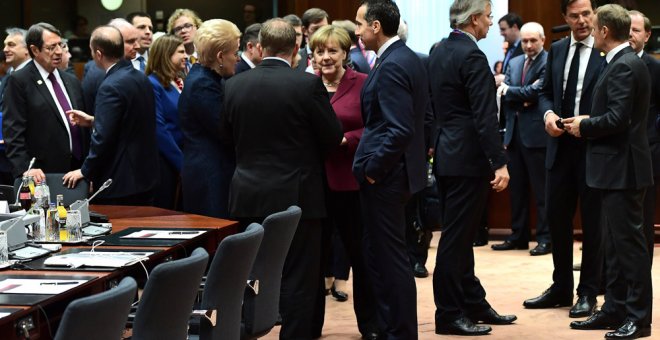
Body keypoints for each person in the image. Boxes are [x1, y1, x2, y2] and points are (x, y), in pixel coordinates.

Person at [221, 18, 342, 339]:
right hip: (298, 194)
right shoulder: (306, 85)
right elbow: (332, 136)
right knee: (299, 274)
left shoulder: (233, 85)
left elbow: (226, 137)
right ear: (296, 48)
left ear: (260, 47)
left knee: (250, 272)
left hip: (247, 193)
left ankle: (248, 330)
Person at [563, 5, 652, 339]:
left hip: (622, 168)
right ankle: (614, 309)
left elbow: (617, 120)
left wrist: (583, 126)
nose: (590, 28)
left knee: (630, 248)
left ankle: (638, 318)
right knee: (613, 248)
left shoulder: (624, 66)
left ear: (604, 31)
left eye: (595, 25)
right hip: (613, 168)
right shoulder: (620, 61)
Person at [429, 0, 516, 336]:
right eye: (490, 17)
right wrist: (499, 162)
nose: (491, 24)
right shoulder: (473, 56)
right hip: (468, 159)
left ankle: (473, 303)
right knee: (455, 240)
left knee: (460, 237)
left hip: (448, 156)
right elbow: (484, 116)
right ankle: (449, 314)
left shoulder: (439, 50)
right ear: (475, 19)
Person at [524, 0, 605, 319]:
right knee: (556, 221)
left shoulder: (604, 49)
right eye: (575, 16)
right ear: (564, 18)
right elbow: (545, 91)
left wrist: (589, 122)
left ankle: (588, 293)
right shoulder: (557, 49)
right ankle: (560, 287)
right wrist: (547, 113)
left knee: (593, 225)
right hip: (558, 149)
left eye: (587, 14)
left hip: (593, 149)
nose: (582, 20)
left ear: (595, 15)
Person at [353, 1, 428, 338]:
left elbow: (400, 129)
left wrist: (373, 169)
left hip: (387, 177)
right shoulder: (403, 57)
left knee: (391, 260)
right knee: (381, 256)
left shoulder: (395, 64)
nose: (356, 31)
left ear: (377, 26)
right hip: (396, 174)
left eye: (359, 24)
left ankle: (399, 332)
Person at [307, 24, 379, 340]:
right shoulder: (303, 86)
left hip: (351, 183)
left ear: (345, 53)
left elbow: (377, 128)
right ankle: (309, 327)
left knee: (361, 259)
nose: (325, 57)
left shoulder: (363, 83)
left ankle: (371, 325)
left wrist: (346, 139)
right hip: (313, 185)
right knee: (312, 262)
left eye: (332, 50)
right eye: (319, 51)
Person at [63, 25, 158, 205]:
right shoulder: (140, 77)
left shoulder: (110, 86)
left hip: (121, 182)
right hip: (145, 176)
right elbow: (130, 121)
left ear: (98, 54)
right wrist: (93, 121)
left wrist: (85, 170)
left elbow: (103, 138)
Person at [491, 22, 550, 255]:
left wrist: (510, 91)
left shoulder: (548, 62)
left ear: (543, 40)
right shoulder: (514, 62)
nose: (528, 45)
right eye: (524, 41)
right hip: (514, 134)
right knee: (517, 190)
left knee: (542, 191)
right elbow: (514, 98)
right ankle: (518, 236)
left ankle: (545, 238)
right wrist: (517, 95)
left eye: (533, 40)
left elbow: (536, 92)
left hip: (537, 136)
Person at [3, 23, 88, 183]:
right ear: (35, 50)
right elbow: (13, 132)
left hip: (77, 172)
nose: (58, 52)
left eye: (60, 45)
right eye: (51, 47)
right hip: (43, 175)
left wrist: (88, 169)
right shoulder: (20, 81)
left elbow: (82, 128)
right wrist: (25, 168)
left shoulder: (71, 80)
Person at [178, 19, 240, 219]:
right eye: (235, 52)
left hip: (211, 170)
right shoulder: (203, 84)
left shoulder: (206, 78)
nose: (238, 58)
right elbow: (225, 131)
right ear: (220, 56)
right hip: (210, 175)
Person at [628, 9, 659, 263]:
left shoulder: (654, 67)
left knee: (642, 221)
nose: (629, 34)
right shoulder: (607, 61)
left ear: (647, 35)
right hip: (613, 154)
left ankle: (640, 281)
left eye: (635, 30)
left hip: (646, 153)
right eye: (626, 28)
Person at [146, 34, 186, 210]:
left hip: (181, 155)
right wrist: (181, 163)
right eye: (181, 52)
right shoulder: (152, 83)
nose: (186, 56)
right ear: (166, 55)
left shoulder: (177, 81)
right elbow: (159, 129)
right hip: (165, 162)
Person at [81, 18, 141, 115]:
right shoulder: (102, 72)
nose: (138, 46)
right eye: (130, 41)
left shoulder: (124, 68)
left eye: (136, 40)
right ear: (114, 42)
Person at [0, 28, 31, 185]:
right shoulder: (8, 77)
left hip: (26, 161)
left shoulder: (33, 77)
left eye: (11, 45)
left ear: (27, 49)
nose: (5, 49)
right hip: (4, 158)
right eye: (5, 45)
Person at [296, 8, 329, 72]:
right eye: (316, 29)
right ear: (304, 30)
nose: (321, 32)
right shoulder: (295, 58)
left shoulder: (339, 55)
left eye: (324, 28)